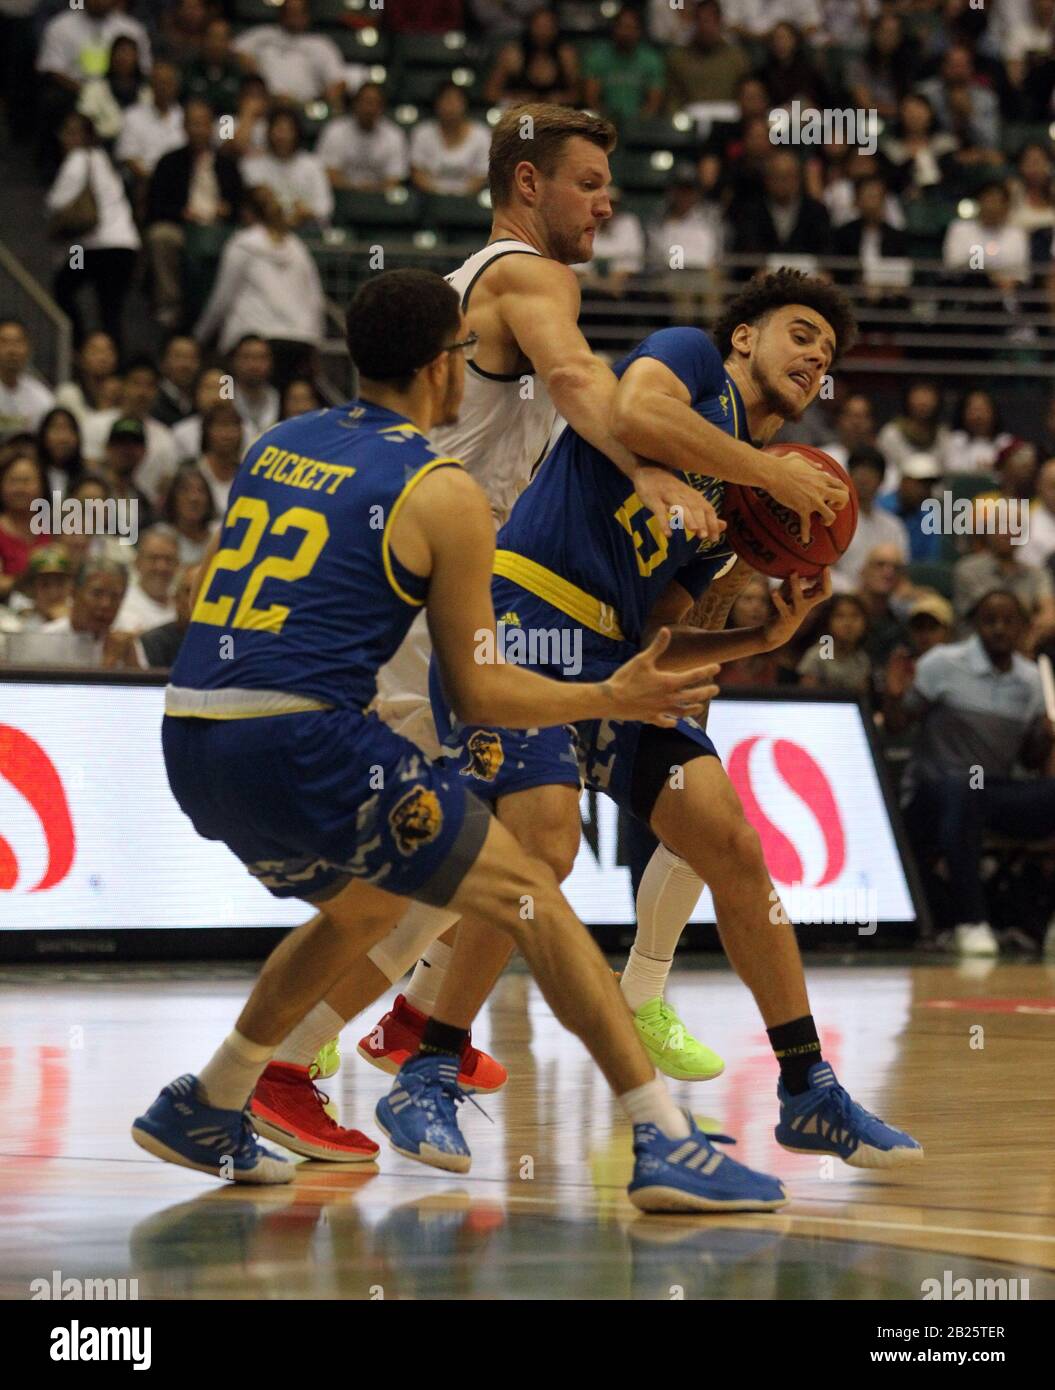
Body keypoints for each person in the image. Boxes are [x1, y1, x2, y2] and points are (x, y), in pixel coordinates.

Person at [130, 267, 791, 1214]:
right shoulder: (444, 491)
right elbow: (481, 690)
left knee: (360, 911)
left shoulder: (275, 445)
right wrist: (611, 690)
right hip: (303, 740)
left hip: (188, 735)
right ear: (447, 365)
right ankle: (663, 1140)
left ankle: (213, 1098)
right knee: (531, 884)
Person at [283, 116, 845, 1118]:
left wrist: (670, 496)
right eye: (588, 183)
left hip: (397, 569)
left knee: (485, 849)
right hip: (426, 584)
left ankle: (383, 1036)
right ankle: (295, 1057)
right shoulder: (534, 276)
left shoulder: (474, 284)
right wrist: (663, 468)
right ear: (527, 182)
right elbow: (592, 386)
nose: (605, 202)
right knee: (483, 852)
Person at [378, 272, 920, 1175]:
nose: (815, 355)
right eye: (799, 333)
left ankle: (806, 1088)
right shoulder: (689, 360)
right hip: (519, 619)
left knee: (732, 847)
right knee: (541, 845)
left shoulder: (735, 513)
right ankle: (427, 1066)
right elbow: (632, 412)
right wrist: (765, 469)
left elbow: (663, 638)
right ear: (745, 338)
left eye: (827, 351)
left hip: (615, 667)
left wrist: (757, 632)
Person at [886, 588, 1055, 957]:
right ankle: (971, 922)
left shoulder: (1031, 681)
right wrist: (894, 695)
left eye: (1009, 621)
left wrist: (1044, 736)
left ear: (1024, 628)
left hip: (992, 790)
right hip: (933, 792)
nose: (999, 628)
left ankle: (1036, 923)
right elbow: (897, 725)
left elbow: (1028, 760)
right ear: (975, 625)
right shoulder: (943, 662)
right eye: (990, 620)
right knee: (963, 787)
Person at [194, 189, 324, 371]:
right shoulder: (297, 246)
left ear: (246, 213)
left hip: (254, 337)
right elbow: (316, 299)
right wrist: (316, 340)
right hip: (300, 338)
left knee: (236, 393)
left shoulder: (242, 243)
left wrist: (199, 336)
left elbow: (223, 297)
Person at [47, 112, 140, 353]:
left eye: (73, 133)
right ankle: (111, 362)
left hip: (92, 248)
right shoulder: (104, 159)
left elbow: (56, 203)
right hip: (125, 248)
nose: (66, 138)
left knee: (63, 287)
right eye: (65, 132)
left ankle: (79, 347)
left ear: (87, 137)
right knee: (110, 310)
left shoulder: (78, 159)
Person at [232, 0, 345, 111]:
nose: (293, 17)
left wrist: (325, 103)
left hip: (305, 108)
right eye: (289, 12)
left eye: (298, 12)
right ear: (281, 14)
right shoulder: (263, 35)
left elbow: (337, 81)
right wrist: (253, 71)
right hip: (266, 104)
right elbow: (235, 50)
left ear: (307, 15)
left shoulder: (322, 44)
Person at [241, 108, 333, 231]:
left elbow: (325, 206)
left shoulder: (312, 165)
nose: (282, 136)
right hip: (263, 231)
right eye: (278, 129)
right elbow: (252, 206)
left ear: (297, 133)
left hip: (305, 228)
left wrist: (305, 212)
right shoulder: (252, 164)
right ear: (269, 131)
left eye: (288, 130)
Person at [831, 447, 908, 593]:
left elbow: (900, 573)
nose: (864, 480)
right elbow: (825, 571)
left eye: (870, 474)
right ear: (848, 476)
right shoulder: (831, 520)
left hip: (882, 597)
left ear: (881, 481)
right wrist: (852, 591)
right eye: (859, 473)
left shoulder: (894, 525)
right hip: (841, 597)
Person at [37, 556, 137, 668]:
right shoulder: (45, 639)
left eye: (115, 596)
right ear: (74, 593)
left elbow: (144, 684)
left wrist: (131, 658)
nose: (106, 604)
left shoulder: (123, 642)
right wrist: (109, 662)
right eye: (97, 593)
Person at [316, 83, 408, 194]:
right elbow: (329, 173)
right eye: (366, 102)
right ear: (355, 103)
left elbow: (394, 178)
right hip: (342, 197)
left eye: (375, 103)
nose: (369, 109)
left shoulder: (394, 136)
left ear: (382, 107)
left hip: (380, 199)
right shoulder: (335, 131)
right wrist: (355, 189)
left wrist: (373, 191)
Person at [582, 6, 665, 127]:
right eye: (621, 27)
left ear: (639, 31)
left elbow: (653, 103)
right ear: (614, 28)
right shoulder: (597, 58)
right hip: (603, 123)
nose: (626, 32)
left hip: (641, 125)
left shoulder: (651, 60)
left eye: (631, 28)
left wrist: (639, 122)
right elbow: (591, 99)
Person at [483, 7, 580, 108]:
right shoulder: (513, 54)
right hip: (519, 115)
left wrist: (557, 99)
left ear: (556, 29)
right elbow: (490, 93)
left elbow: (577, 95)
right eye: (539, 26)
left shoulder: (566, 55)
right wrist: (515, 98)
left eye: (548, 27)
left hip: (556, 116)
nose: (543, 32)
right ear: (530, 27)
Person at [664, 0, 750, 111]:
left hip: (730, 122)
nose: (706, 26)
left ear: (720, 22)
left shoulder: (737, 58)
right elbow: (673, 98)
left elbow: (746, 95)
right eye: (701, 21)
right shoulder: (678, 58)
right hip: (690, 121)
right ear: (694, 23)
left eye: (711, 21)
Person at [409, 83, 490, 198]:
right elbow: (417, 172)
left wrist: (458, 196)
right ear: (436, 104)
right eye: (446, 100)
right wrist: (438, 194)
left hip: (469, 200)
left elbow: (481, 176)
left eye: (456, 101)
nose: (450, 106)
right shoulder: (423, 133)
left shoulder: (482, 135)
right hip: (429, 199)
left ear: (465, 104)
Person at [797, 592, 872, 697]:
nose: (848, 623)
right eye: (840, 616)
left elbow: (863, 698)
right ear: (828, 621)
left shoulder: (861, 659)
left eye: (855, 616)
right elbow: (806, 697)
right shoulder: (816, 656)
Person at [0, 450, 51, 601]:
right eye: (13, 481)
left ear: (42, 486)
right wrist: (27, 576)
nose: (20, 489)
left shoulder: (55, 527)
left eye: (27, 481)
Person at [878, 451, 943, 562]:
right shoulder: (880, 507)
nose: (924, 491)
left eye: (928, 486)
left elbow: (930, 560)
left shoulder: (929, 518)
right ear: (904, 481)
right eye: (919, 484)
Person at [113, 524, 180, 633]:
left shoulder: (184, 603)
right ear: (137, 562)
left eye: (169, 559)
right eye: (153, 558)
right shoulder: (120, 603)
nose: (161, 567)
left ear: (178, 565)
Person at [0, 320, 56, 444]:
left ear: (28, 348)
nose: (12, 350)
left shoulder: (42, 396)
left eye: (18, 342)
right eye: (4, 342)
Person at [54, 332, 119, 429]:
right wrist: (104, 405)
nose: (103, 357)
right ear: (80, 357)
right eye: (95, 351)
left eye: (108, 350)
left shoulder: (124, 395)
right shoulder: (68, 394)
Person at [139, 563, 195, 668]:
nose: (196, 599)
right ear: (176, 598)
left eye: (205, 592)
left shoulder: (227, 640)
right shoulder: (154, 641)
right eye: (189, 592)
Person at [163, 463, 218, 565]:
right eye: (185, 490)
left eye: (200, 491)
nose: (194, 498)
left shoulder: (219, 535)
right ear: (173, 498)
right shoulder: (161, 537)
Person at [196, 402, 245, 516]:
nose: (227, 434)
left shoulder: (248, 474)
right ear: (207, 431)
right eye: (220, 426)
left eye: (233, 426)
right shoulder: (191, 469)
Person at [154, 336, 202, 427]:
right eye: (178, 356)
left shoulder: (199, 402)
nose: (186, 365)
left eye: (192, 358)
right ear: (163, 361)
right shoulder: (153, 398)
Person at [36, 407, 85, 495]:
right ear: (43, 435)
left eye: (68, 429)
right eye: (56, 429)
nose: (62, 438)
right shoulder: (34, 473)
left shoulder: (86, 477)